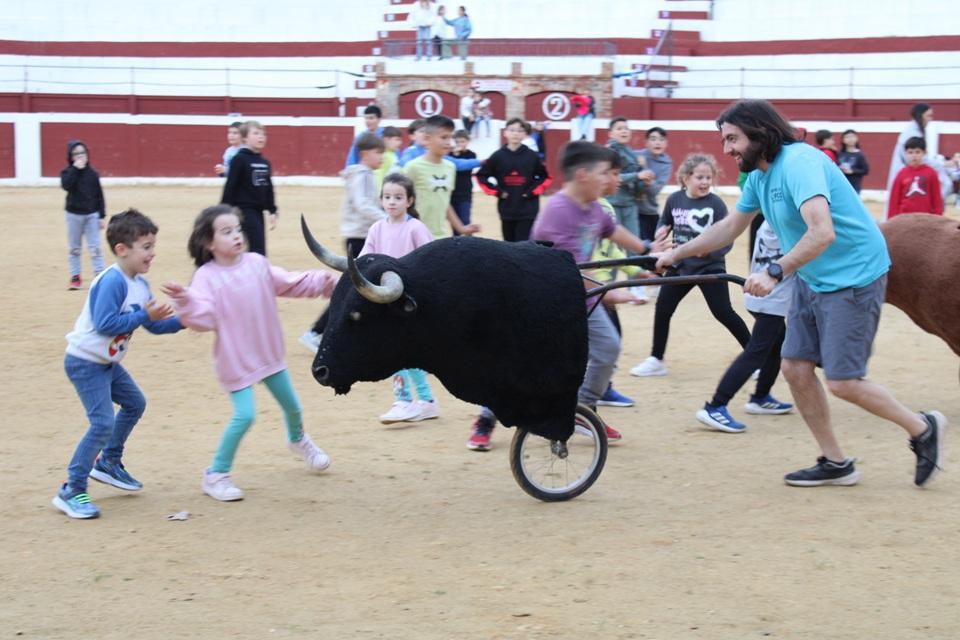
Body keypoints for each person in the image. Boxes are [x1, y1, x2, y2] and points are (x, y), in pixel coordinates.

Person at [657, 99, 945, 487]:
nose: (727, 150)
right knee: (794, 367)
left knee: (843, 381)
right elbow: (728, 229)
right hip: (815, 276)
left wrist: (775, 271)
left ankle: (922, 428)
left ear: (758, 133)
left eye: (732, 139)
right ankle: (836, 461)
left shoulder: (799, 164)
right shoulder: (759, 177)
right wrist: (676, 252)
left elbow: (822, 231)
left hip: (854, 275)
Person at [162, 204, 338, 502]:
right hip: (237, 360)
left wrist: (324, 282)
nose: (236, 236)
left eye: (238, 229)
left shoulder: (256, 263)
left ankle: (298, 440)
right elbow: (204, 317)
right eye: (226, 231)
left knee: (293, 407)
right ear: (208, 242)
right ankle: (215, 475)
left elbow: (290, 282)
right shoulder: (206, 277)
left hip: (268, 354)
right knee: (245, 416)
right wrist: (186, 301)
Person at [497, 140, 667, 448]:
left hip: (579, 300)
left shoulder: (592, 207)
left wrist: (646, 252)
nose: (608, 179)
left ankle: (581, 408)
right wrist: (613, 293)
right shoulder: (560, 211)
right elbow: (572, 272)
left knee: (607, 347)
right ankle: (488, 414)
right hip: (549, 301)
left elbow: (612, 230)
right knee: (529, 363)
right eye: (604, 173)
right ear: (583, 175)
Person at [52, 209, 183, 519]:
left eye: (153, 245)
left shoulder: (139, 284)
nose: (153, 253)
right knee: (102, 423)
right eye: (147, 246)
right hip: (85, 362)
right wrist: (143, 316)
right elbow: (105, 323)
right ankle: (72, 488)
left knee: (135, 403)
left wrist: (189, 320)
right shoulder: (113, 281)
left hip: (106, 363)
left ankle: (109, 462)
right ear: (122, 249)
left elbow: (154, 326)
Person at [630, 153, 750, 378]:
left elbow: (727, 237)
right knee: (663, 308)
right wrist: (661, 231)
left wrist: (712, 250)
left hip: (710, 268)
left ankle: (754, 356)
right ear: (686, 178)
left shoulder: (716, 203)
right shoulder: (675, 199)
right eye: (699, 177)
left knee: (724, 312)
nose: (705, 182)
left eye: (708, 177)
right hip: (680, 266)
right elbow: (665, 220)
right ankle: (656, 359)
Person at [696, 220, 795, 433]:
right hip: (771, 298)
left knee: (776, 347)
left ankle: (760, 397)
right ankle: (715, 406)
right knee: (756, 353)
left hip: (760, 294)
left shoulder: (769, 221)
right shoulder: (790, 224)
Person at [361, 174, 441, 423]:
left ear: (410, 201)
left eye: (398, 197)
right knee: (396, 351)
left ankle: (408, 400)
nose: (391, 202)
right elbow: (366, 258)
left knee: (403, 352)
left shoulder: (415, 227)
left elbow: (431, 259)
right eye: (387, 197)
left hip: (409, 301)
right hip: (385, 300)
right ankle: (421, 401)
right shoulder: (377, 227)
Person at [300, 133, 386, 354]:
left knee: (359, 288)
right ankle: (316, 332)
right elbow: (362, 205)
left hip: (359, 235)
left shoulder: (362, 174)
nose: (381, 157)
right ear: (365, 153)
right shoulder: (363, 175)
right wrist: (385, 219)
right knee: (354, 289)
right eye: (378, 153)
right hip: (359, 237)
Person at [403, 114, 481, 238]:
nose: (448, 143)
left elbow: (444, 201)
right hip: (414, 236)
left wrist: (460, 228)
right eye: (443, 137)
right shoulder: (412, 167)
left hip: (440, 236)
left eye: (450, 138)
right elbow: (400, 201)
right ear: (428, 139)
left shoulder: (450, 167)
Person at [476, 117, 550, 242]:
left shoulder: (532, 156)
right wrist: (498, 192)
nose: (515, 133)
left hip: (528, 209)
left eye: (520, 130)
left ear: (525, 134)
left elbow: (545, 178)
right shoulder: (497, 156)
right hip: (507, 208)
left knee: (524, 244)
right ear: (505, 133)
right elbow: (481, 176)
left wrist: (531, 192)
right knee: (509, 244)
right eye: (512, 130)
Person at [221, 120, 277, 256]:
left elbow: (268, 187)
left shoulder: (265, 162)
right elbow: (230, 186)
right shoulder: (239, 159)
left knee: (254, 247)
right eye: (256, 133)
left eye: (263, 134)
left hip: (258, 212)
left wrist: (272, 210)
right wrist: (223, 210)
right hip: (242, 210)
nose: (261, 137)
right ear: (245, 138)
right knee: (257, 249)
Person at [61, 140, 106, 290]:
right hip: (73, 215)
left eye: (82, 153)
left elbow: (99, 195)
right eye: (76, 154)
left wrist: (101, 216)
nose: (80, 156)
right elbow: (66, 185)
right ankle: (75, 276)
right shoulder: (67, 173)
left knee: (95, 248)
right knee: (74, 248)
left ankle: (99, 276)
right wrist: (75, 169)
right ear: (71, 157)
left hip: (91, 215)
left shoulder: (93, 174)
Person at [605, 116, 644, 243]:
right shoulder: (608, 152)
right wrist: (638, 175)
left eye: (626, 128)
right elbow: (613, 178)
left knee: (633, 242)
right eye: (619, 128)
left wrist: (644, 178)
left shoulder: (631, 153)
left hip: (630, 203)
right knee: (614, 245)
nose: (624, 131)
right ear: (610, 134)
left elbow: (638, 179)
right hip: (612, 204)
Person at [887, 137, 944, 219]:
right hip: (904, 218)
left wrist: (938, 218)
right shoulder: (901, 174)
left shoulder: (931, 173)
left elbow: (937, 199)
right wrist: (892, 219)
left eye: (917, 152)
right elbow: (894, 199)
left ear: (924, 153)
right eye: (910, 152)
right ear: (905, 153)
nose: (914, 156)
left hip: (926, 218)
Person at [886, 103, 936, 193]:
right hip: (906, 177)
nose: (930, 119)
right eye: (928, 116)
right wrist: (940, 164)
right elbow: (918, 159)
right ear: (920, 116)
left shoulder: (913, 131)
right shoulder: (912, 134)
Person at [636, 127, 672, 245]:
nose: (657, 142)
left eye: (661, 140)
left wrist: (644, 168)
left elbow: (654, 191)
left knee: (652, 250)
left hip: (649, 211)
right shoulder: (636, 155)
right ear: (646, 142)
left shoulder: (666, 163)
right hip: (632, 211)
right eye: (653, 139)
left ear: (666, 144)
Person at [449, 128, 477, 233]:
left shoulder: (471, 155)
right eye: (457, 142)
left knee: (465, 221)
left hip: (465, 192)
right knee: (455, 224)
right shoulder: (449, 155)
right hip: (452, 192)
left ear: (468, 141)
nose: (460, 144)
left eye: (462, 141)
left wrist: (456, 156)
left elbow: (466, 168)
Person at [344, 105, 384, 169]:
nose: (367, 121)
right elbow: (353, 158)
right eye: (366, 118)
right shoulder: (360, 137)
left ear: (379, 119)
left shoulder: (386, 135)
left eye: (371, 118)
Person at [837, 129, 870, 194]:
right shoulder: (839, 154)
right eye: (847, 137)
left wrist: (852, 171)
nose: (850, 139)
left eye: (852, 136)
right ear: (843, 140)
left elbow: (865, 170)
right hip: (840, 185)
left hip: (854, 186)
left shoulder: (860, 155)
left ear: (856, 139)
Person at [373, 125, 404, 190]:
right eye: (397, 140)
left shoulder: (392, 154)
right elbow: (378, 177)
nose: (400, 143)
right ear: (386, 139)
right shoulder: (385, 156)